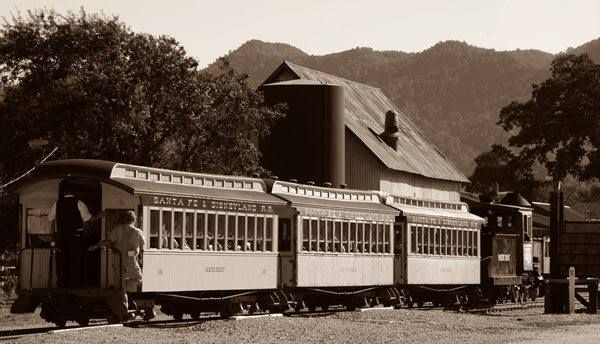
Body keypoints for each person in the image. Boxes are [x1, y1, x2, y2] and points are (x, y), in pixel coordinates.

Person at [89, 210, 145, 320]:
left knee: (120, 287)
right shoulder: (138, 232)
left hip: (117, 260)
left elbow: (107, 240)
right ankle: (123, 295)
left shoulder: (118, 229)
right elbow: (143, 245)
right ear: (134, 220)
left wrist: (95, 246)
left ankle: (123, 306)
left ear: (123, 220)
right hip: (130, 261)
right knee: (138, 279)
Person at [48, 193, 95, 287]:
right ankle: (75, 283)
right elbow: (87, 219)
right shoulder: (79, 203)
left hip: (61, 236)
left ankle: (62, 282)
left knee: (62, 259)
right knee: (76, 259)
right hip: (76, 236)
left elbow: (50, 218)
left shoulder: (57, 203)